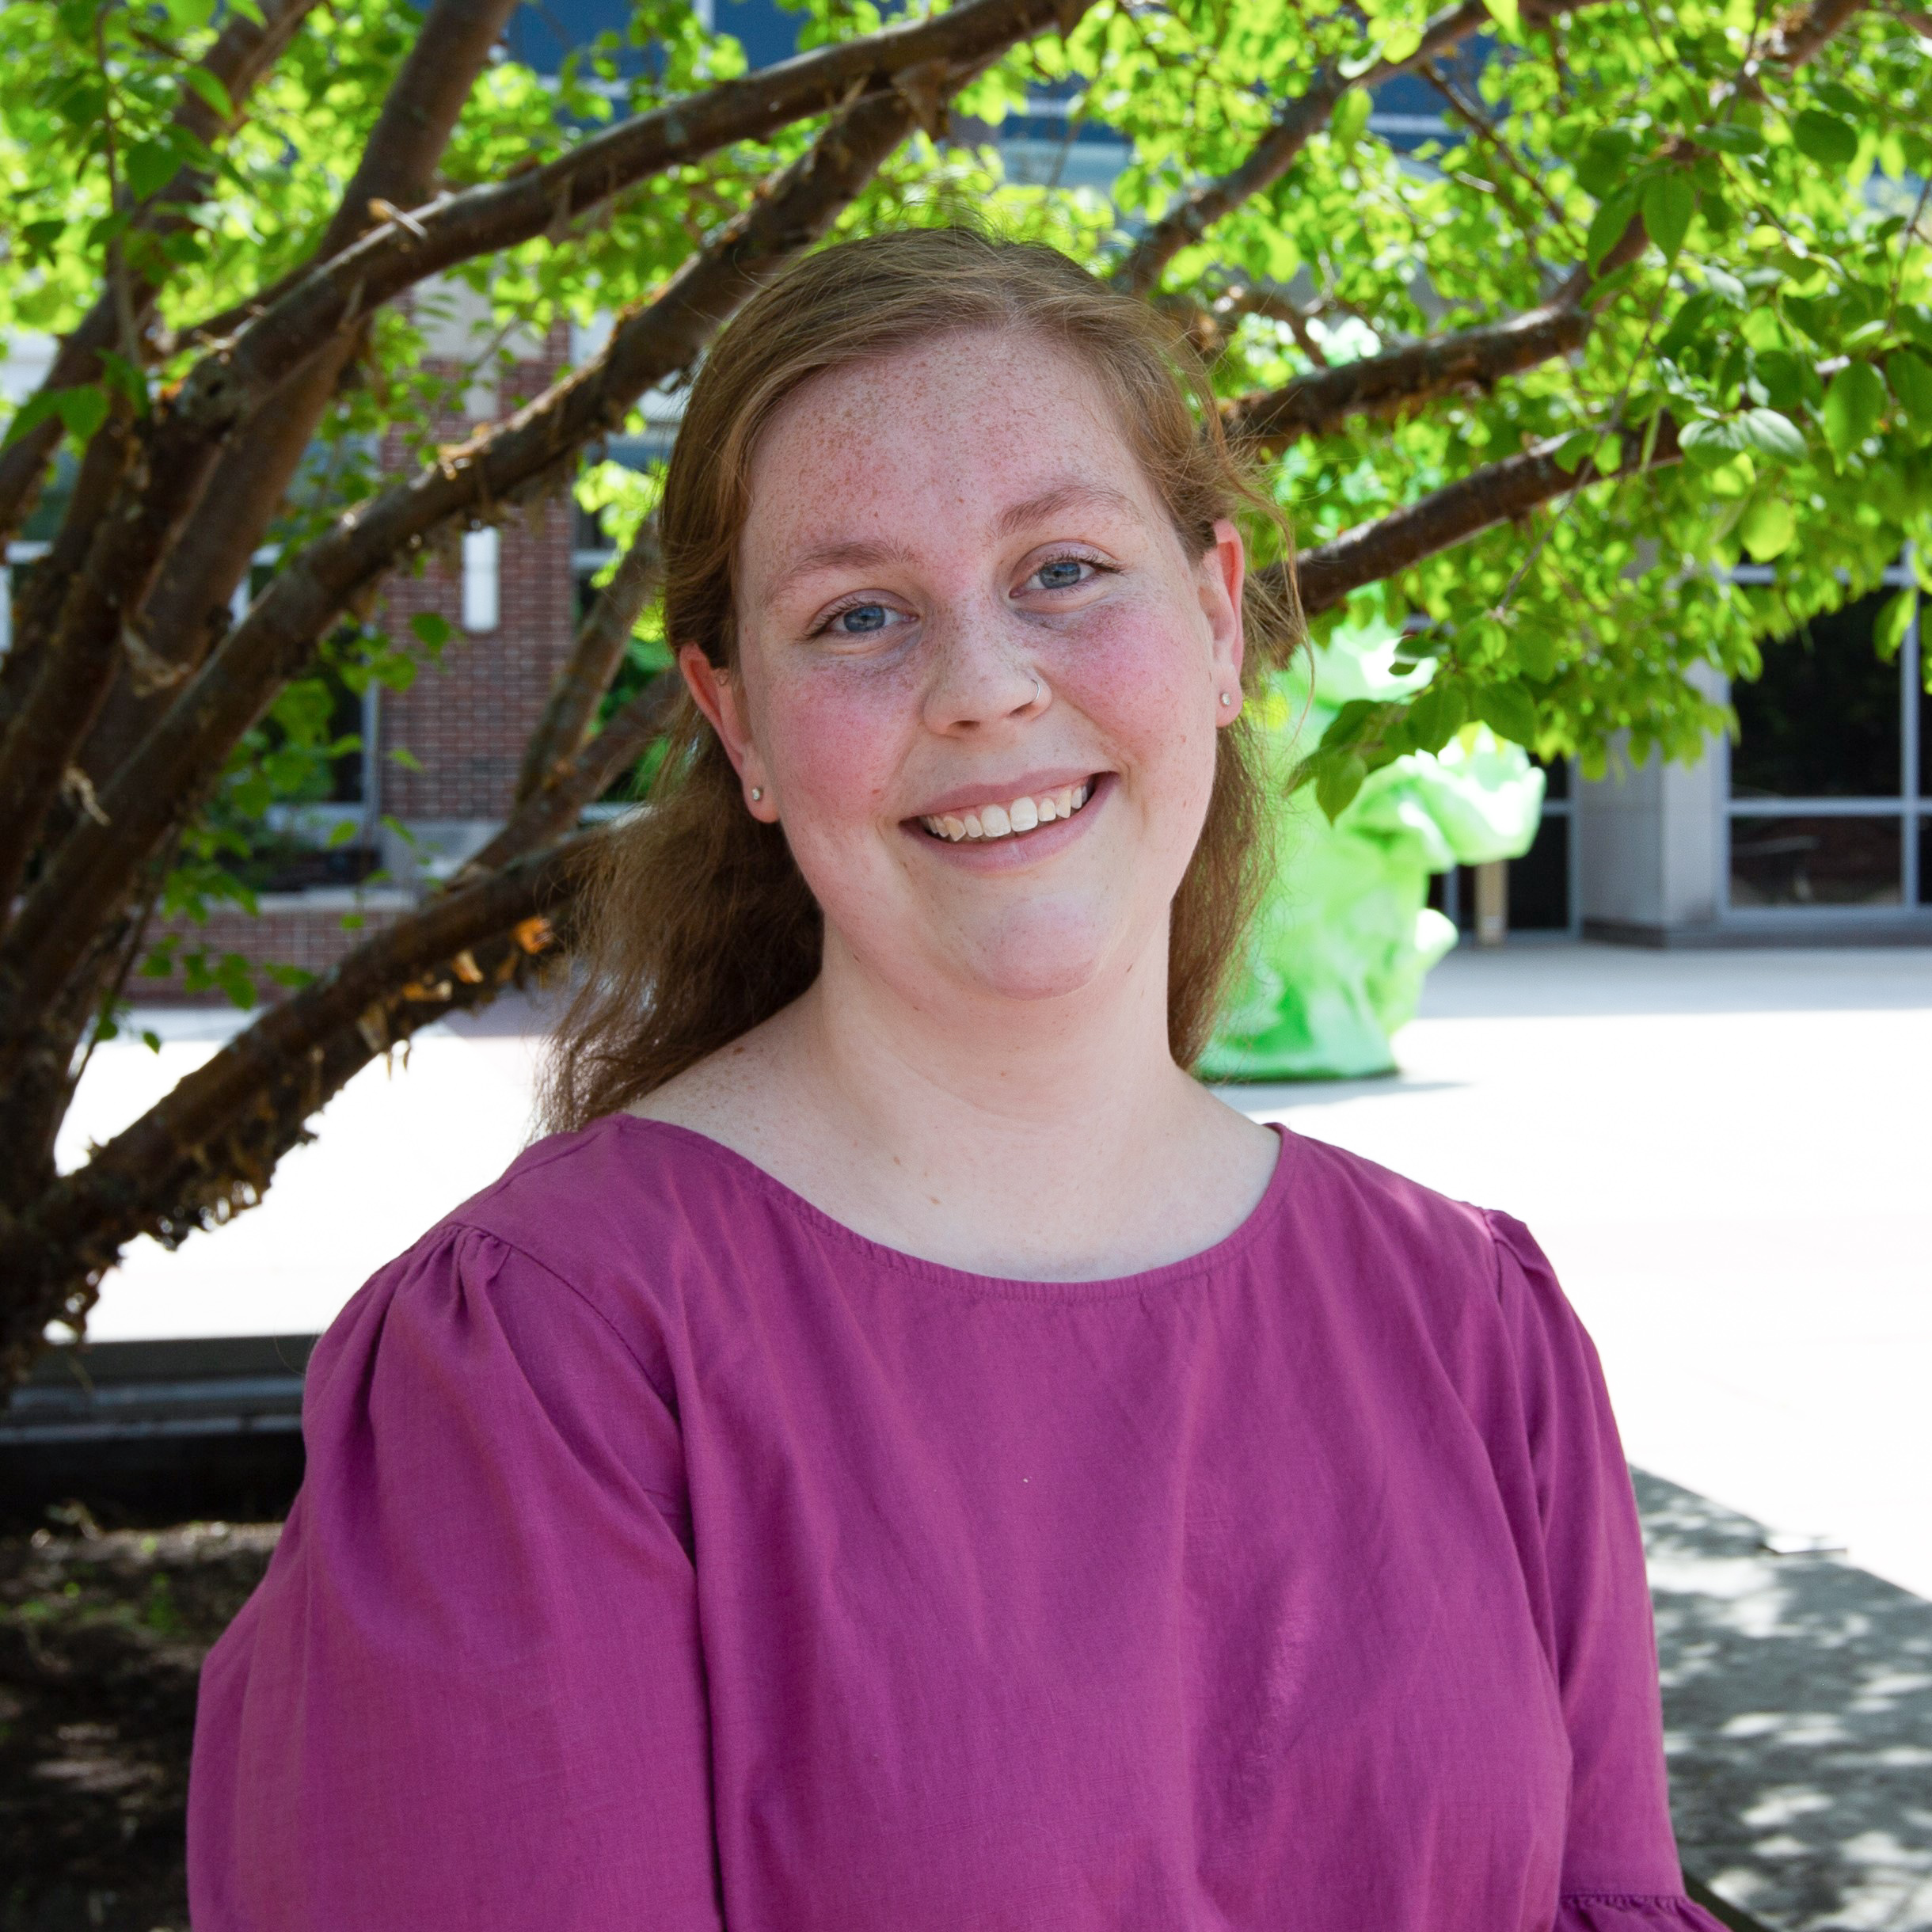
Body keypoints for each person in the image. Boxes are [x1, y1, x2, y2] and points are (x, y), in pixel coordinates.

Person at [188, 226, 1726, 1932]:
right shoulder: (555, 1358)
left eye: (1062, 568)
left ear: (1217, 626)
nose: (985, 686)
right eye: (856, 613)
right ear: (739, 723)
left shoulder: (1468, 1323)